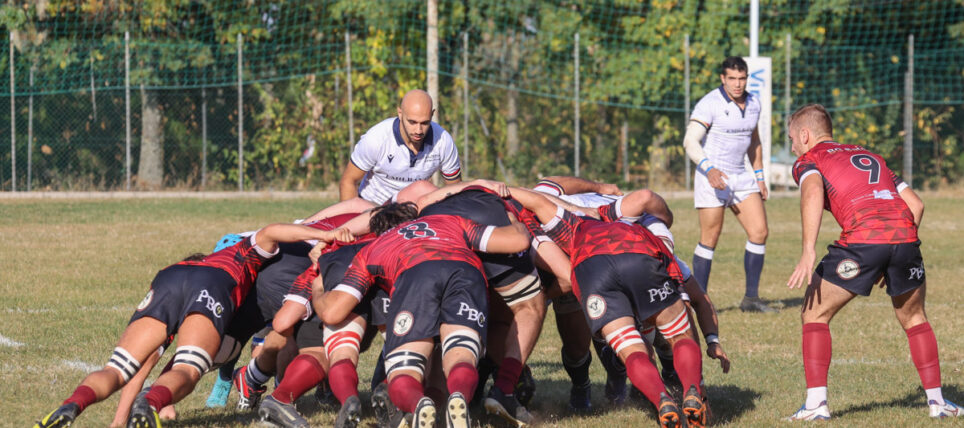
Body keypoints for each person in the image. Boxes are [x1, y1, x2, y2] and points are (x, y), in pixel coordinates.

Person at [34, 224, 351, 428]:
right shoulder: (241, 253)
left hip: (168, 277)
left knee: (118, 369)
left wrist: (120, 420)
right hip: (215, 285)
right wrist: (322, 235)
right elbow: (271, 231)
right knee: (187, 369)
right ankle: (153, 402)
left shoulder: (190, 262)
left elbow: (146, 362)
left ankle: (70, 406)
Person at [784, 104, 960, 420]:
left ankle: (815, 406)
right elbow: (916, 205)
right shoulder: (870, 155)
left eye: (792, 139)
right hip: (905, 238)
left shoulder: (810, 159)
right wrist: (892, 251)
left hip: (863, 239)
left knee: (814, 313)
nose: (793, 146)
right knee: (915, 318)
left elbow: (812, 193)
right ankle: (938, 403)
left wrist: (808, 249)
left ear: (805, 134)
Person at [315, 202, 532, 428]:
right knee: (462, 353)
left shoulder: (373, 248)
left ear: (376, 231)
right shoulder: (448, 221)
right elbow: (517, 241)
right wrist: (517, 224)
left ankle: (418, 404)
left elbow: (333, 312)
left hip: (414, 275)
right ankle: (458, 396)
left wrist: (317, 291)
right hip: (466, 272)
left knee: (404, 370)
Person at [510, 187, 709, 428]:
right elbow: (645, 198)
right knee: (679, 334)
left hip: (592, 271)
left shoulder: (572, 222)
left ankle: (662, 401)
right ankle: (692, 390)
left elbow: (537, 200)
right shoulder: (635, 220)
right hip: (636, 254)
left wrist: (492, 186)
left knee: (632, 351)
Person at [682, 56, 773, 313]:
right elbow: (690, 142)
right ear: (723, 79)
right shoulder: (709, 104)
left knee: (759, 232)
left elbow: (754, 140)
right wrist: (709, 169)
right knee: (710, 238)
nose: (737, 84)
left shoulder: (754, 103)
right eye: (732, 78)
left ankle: (751, 300)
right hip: (712, 176)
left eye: (742, 78)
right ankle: (700, 303)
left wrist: (760, 176)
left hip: (741, 177)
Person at [339, 89, 462, 205]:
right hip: (372, 207)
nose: (418, 130)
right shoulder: (377, 138)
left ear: (432, 115)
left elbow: (455, 191)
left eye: (424, 123)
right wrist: (351, 221)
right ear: (400, 113)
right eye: (412, 122)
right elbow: (348, 181)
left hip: (413, 211)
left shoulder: (443, 141)